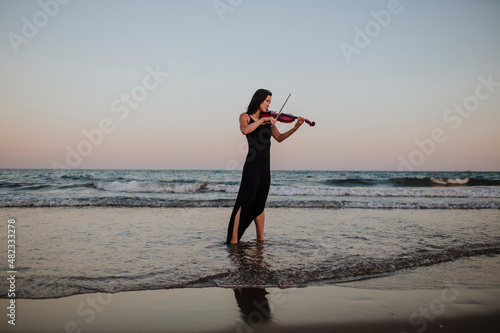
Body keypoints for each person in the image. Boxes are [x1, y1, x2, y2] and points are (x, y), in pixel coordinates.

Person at [226, 89, 305, 244]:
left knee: (260, 203)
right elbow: (244, 130)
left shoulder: (269, 121)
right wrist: (262, 121)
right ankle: (234, 240)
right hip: (252, 166)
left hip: (265, 167)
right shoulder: (246, 117)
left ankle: (260, 239)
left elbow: (279, 138)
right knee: (245, 201)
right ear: (259, 99)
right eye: (267, 100)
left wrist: (296, 127)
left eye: (270, 101)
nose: (269, 104)